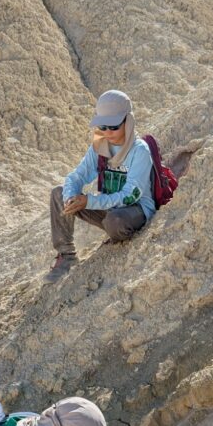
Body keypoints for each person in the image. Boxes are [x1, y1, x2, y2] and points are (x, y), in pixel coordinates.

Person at [45, 89, 156, 282]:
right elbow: (77, 176)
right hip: (109, 210)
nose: (107, 132)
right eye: (103, 126)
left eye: (113, 126)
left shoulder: (140, 151)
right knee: (58, 194)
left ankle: (123, 236)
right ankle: (66, 255)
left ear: (128, 121)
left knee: (115, 222)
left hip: (133, 211)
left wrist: (89, 201)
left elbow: (130, 195)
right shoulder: (99, 147)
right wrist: (70, 197)